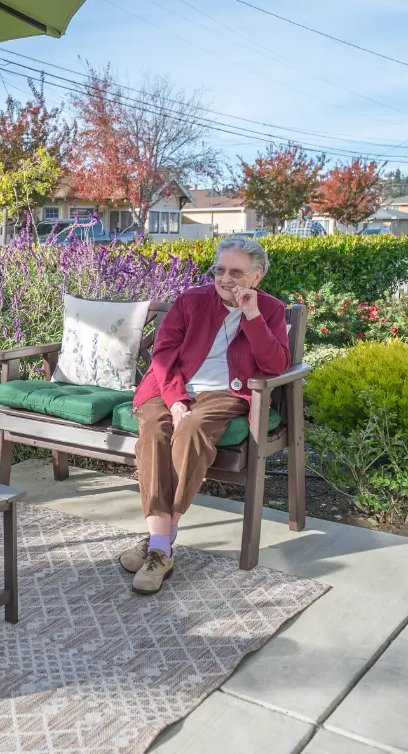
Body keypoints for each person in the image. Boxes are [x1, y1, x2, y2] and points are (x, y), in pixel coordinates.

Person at [121, 238, 291, 594]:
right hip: (170, 386)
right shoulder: (191, 300)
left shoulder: (270, 309)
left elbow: (276, 364)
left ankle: (158, 543)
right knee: (153, 430)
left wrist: (252, 316)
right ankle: (162, 544)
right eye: (220, 270)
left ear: (257, 276)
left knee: (193, 429)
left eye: (236, 272)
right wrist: (176, 400)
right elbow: (163, 354)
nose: (225, 279)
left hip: (225, 393)